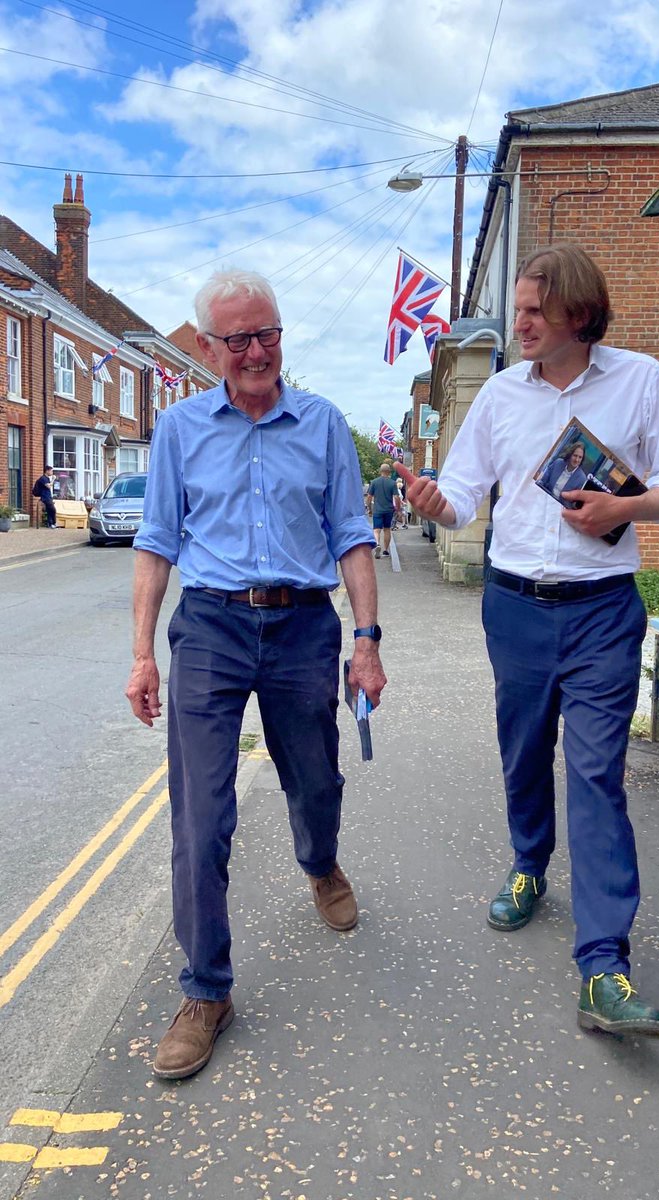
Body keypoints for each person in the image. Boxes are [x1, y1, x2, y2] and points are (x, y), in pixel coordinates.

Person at [398, 243, 659, 1039]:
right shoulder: (499, 394)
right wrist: (437, 502)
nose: (520, 324)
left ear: (579, 314)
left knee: (598, 773)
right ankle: (530, 864)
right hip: (517, 609)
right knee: (525, 751)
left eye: (535, 311)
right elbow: (464, 494)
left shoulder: (639, 381)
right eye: (519, 311)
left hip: (603, 610)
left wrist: (621, 512)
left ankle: (603, 967)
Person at [126, 267, 386, 1080]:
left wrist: (368, 639)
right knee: (200, 815)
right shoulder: (178, 430)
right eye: (237, 339)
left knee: (314, 779)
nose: (255, 351)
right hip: (209, 625)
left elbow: (351, 534)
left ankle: (319, 861)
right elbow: (157, 543)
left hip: (305, 623)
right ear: (207, 347)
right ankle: (206, 989)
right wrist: (142, 654)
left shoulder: (323, 423)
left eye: (267, 333)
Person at [537, 441, 588, 508]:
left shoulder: (582, 479)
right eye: (575, 455)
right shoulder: (558, 463)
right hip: (544, 499)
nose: (577, 460)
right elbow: (543, 481)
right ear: (570, 454)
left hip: (560, 509)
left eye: (580, 457)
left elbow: (573, 504)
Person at [366, 461, 401, 558]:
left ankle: (377, 543)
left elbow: (369, 497)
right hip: (388, 510)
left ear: (380, 471)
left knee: (376, 530)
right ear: (389, 472)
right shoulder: (392, 483)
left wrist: (369, 508)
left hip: (377, 510)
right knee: (387, 529)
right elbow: (397, 497)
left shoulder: (374, 482)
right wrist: (398, 509)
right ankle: (385, 550)